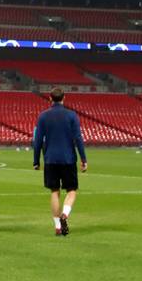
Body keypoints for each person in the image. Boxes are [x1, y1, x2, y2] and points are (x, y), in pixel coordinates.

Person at [32, 88, 87, 237]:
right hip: (68, 158)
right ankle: (65, 214)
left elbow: (37, 141)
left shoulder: (43, 116)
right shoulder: (71, 115)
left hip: (50, 159)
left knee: (54, 192)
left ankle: (58, 227)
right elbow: (78, 139)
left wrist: (36, 160)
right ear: (64, 98)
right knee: (71, 191)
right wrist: (83, 159)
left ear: (50, 98)